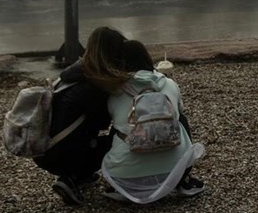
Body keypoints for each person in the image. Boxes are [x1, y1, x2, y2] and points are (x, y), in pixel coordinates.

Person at [85, 39, 206, 204]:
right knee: (180, 119)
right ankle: (184, 182)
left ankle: (116, 188)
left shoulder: (115, 91)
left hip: (124, 176)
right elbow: (180, 110)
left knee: (118, 127)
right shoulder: (169, 83)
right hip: (175, 171)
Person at [34, 26, 126, 206]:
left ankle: (80, 172)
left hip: (43, 149)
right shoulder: (93, 86)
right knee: (118, 139)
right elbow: (104, 123)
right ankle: (72, 178)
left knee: (85, 137)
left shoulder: (73, 75)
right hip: (60, 155)